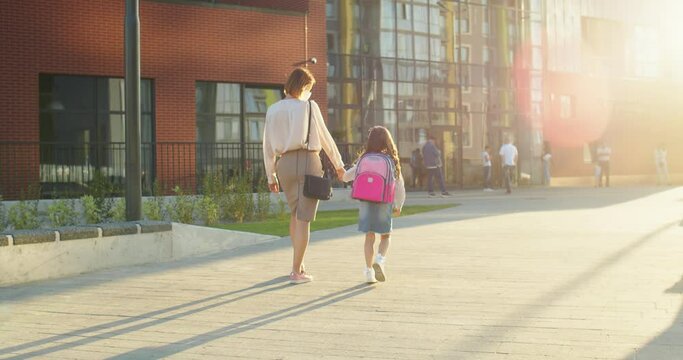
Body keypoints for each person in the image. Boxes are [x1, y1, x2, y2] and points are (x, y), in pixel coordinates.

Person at [263, 67, 346, 284]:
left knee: (295, 214)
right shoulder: (309, 106)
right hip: (306, 161)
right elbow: (325, 138)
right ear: (302, 86)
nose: (310, 92)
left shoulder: (273, 109)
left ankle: (297, 264)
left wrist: (270, 176)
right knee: (304, 218)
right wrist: (338, 164)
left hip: (284, 164)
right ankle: (296, 271)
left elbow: (267, 145)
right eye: (309, 87)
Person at [342, 126, 406, 284]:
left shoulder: (364, 159)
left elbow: (346, 177)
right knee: (385, 235)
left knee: (369, 236)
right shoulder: (390, 161)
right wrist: (399, 205)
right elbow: (399, 186)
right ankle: (380, 259)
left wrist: (342, 173)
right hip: (384, 201)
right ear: (387, 142)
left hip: (365, 201)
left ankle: (369, 272)